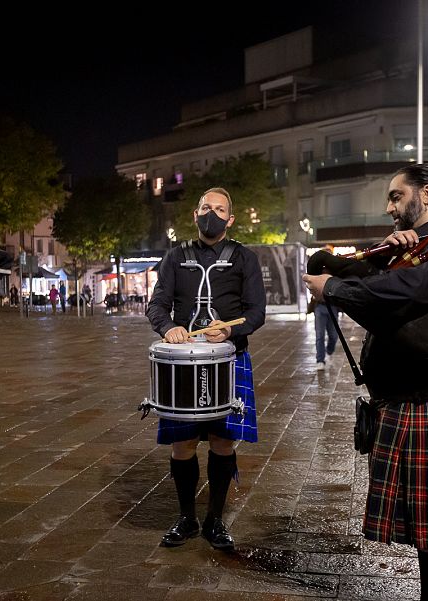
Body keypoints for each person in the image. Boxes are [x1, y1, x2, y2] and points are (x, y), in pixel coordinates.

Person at [303, 163, 428, 601]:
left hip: (424, 397)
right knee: (427, 524)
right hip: (402, 398)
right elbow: (333, 267)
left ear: (426, 194)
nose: (389, 206)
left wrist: (335, 291)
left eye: (396, 196)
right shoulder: (415, 247)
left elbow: (402, 294)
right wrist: (383, 253)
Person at [146, 187, 266, 551]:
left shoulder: (245, 258)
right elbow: (156, 306)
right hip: (183, 363)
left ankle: (215, 520)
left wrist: (230, 329)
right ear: (195, 214)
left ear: (230, 219)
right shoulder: (174, 257)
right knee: (181, 445)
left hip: (229, 359)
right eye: (205, 207)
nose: (210, 213)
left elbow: (257, 312)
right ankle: (186, 518)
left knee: (222, 442)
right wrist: (168, 328)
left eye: (219, 209)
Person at [309, 295, 339, 370]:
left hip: (333, 306)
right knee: (320, 335)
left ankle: (329, 351)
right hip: (320, 306)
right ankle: (320, 360)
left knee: (333, 336)